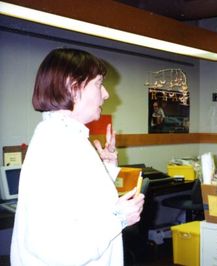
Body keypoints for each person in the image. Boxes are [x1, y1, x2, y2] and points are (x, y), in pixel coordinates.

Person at [11, 48, 145, 265]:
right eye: (99, 84)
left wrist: (107, 167)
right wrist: (118, 219)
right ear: (73, 87)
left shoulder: (68, 137)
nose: (106, 94)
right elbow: (51, 246)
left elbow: (81, 205)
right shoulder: (56, 143)